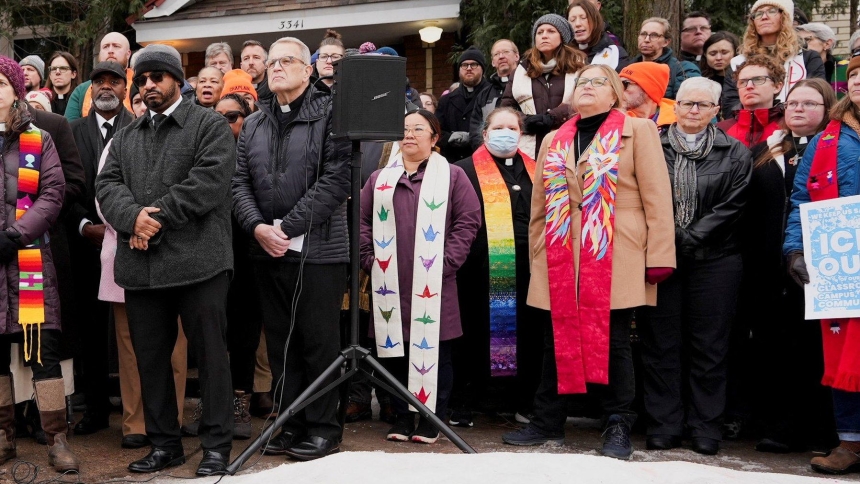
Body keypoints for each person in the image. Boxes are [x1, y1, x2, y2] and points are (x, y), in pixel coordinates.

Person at [501, 64, 676, 460]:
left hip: (617, 250)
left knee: (614, 340)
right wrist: (537, 254)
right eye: (582, 82)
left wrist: (660, 255)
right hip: (560, 250)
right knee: (554, 338)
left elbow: (658, 198)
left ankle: (617, 423)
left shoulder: (639, 131)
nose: (587, 87)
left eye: (598, 82)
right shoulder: (554, 139)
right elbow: (540, 206)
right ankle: (548, 421)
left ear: (615, 94)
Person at [96, 43, 236, 476]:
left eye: (157, 77)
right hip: (142, 270)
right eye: (142, 79)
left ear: (178, 79)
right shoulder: (126, 137)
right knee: (151, 359)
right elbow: (107, 186)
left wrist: (150, 221)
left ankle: (216, 445)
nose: (149, 85)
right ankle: (165, 444)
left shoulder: (209, 125)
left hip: (201, 265)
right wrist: (131, 219)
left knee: (211, 358)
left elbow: (207, 183)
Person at [232, 36, 350, 461]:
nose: (277, 67)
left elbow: (338, 177)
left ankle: (323, 428)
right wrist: (259, 227)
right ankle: (290, 422)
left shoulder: (331, 114)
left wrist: (289, 226)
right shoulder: (256, 122)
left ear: (309, 69)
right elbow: (238, 182)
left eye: (287, 61)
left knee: (317, 342)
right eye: (272, 61)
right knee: (281, 342)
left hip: (318, 249)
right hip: (267, 249)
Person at [636, 77, 752, 456]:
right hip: (661, 261)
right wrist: (668, 241)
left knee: (709, 346)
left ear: (717, 111)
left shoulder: (735, 152)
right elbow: (640, 195)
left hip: (716, 261)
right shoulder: (652, 144)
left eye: (702, 105)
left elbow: (733, 206)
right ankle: (664, 424)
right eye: (686, 103)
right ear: (675, 105)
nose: (693, 111)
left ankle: (705, 426)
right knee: (661, 344)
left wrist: (687, 238)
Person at [360, 109, 481, 443]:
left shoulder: (452, 176)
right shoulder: (379, 179)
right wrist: (370, 259)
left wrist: (447, 262)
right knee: (394, 351)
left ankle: (432, 420)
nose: (409, 134)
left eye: (417, 128)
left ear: (434, 136)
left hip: (435, 281)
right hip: (390, 282)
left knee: (435, 352)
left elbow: (468, 220)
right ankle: (401, 416)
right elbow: (362, 223)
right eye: (403, 129)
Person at [744, 78, 837, 454]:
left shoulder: (837, 148)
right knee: (773, 347)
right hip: (767, 265)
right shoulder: (764, 150)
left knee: (814, 349)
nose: (798, 109)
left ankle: (819, 429)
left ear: (827, 109)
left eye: (810, 103)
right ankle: (778, 427)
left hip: (818, 265)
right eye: (793, 103)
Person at [0, 55, 80, 473]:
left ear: (15, 89)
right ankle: (3, 437)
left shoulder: (37, 139)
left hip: (29, 258)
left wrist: (14, 234)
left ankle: (56, 437)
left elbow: (53, 193)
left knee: (42, 353)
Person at [783, 55, 860, 475]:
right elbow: (802, 201)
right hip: (843, 262)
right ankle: (850, 443)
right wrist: (795, 250)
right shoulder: (827, 140)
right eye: (857, 77)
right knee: (846, 352)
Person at [452, 107, 543, 427]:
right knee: (476, 332)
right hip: (479, 270)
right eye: (498, 127)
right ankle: (470, 399)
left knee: (526, 334)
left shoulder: (537, 170)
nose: (506, 133)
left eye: (513, 128)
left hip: (529, 270)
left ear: (521, 134)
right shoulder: (462, 171)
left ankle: (519, 399)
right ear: (485, 133)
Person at [67, 61, 134, 439]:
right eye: (99, 82)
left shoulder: (139, 128)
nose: (106, 87)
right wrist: (83, 225)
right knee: (90, 330)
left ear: (125, 90)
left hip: (129, 243)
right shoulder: (71, 131)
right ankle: (94, 408)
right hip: (85, 243)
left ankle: (135, 409)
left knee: (132, 331)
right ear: (90, 90)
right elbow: (62, 185)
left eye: (114, 81)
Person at [720, 0, 825, 118]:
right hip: (750, 128)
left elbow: (817, 98)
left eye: (772, 11)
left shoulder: (807, 58)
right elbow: (730, 106)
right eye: (758, 14)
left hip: (796, 128)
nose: (764, 17)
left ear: (785, 17)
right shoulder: (738, 62)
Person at [501, 14, 585, 158]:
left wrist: (552, 117)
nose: (544, 36)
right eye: (540, 32)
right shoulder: (522, 70)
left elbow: (584, 100)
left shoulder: (579, 67)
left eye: (551, 31)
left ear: (562, 37)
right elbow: (507, 106)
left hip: (567, 144)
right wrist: (524, 121)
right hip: (528, 148)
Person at [717, 55, 784, 147]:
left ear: (777, 87)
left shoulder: (789, 126)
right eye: (743, 82)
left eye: (758, 80)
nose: (749, 86)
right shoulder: (720, 131)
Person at [65, 32, 134, 120]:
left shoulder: (141, 84)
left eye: (116, 46)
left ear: (128, 54)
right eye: (105, 47)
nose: (110, 51)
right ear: (100, 54)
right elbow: (71, 128)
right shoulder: (81, 90)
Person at [436, 47, 489, 162]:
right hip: (453, 161)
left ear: (482, 69)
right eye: (464, 65)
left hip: (483, 159)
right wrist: (450, 138)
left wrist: (473, 138)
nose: (469, 68)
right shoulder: (446, 100)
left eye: (474, 64)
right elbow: (436, 130)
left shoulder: (492, 95)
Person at [468, 39, 520, 151]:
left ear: (516, 56)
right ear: (493, 62)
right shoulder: (484, 94)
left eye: (506, 52)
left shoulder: (528, 87)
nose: (501, 56)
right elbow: (475, 130)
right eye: (497, 54)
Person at [631, 17, 700, 100]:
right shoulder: (628, 67)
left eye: (654, 35)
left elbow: (689, 104)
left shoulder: (682, 69)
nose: (646, 40)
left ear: (666, 42)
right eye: (643, 34)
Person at [567, 0, 629, 71]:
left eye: (583, 18)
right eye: (572, 20)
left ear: (595, 20)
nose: (577, 24)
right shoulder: (562, 54)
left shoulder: (615, 53)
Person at [619, 62, 676, 131]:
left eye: (625, 84)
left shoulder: (680, 121)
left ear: (648, 89)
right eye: (617, 85)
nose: (618, 90)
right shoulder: (614, 119)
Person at [699, 32, 740, 96]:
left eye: (724, 53)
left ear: (735, 53)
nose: (718, 58)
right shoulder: (699, 80)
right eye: (713, 54)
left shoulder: (743, 79)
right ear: (705, 54)